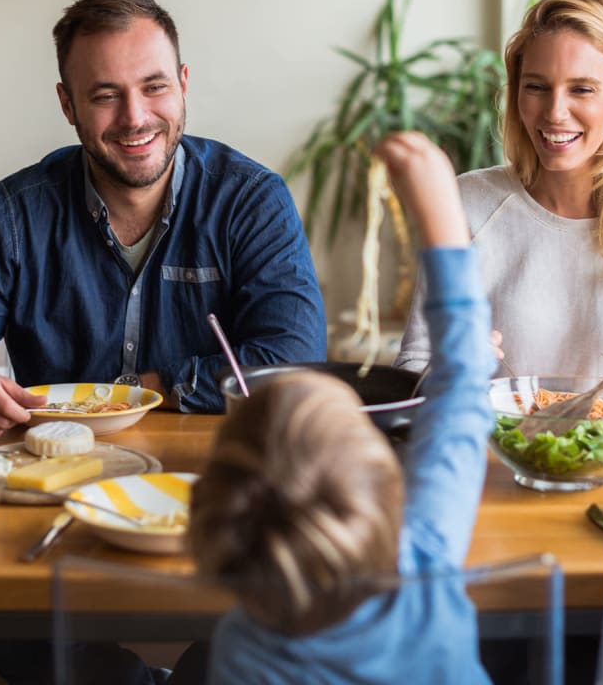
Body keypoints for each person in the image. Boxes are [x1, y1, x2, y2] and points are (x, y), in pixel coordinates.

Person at [0, 0, 326, 438]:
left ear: (182, 84)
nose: (135, 117)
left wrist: (145, 388)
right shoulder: (12, 217)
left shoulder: (251, 202)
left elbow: (296, 359)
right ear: (68, 105)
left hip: (213, 477)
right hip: (51, 480)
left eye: (154, 87)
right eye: (105, 96)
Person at [187, 130, 497, 683]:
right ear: (388, 489)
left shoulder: (239, 652)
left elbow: (462, 384)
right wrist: (442, 216)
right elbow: (466, 382)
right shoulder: (424, 568)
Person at [394, 0, 603, 428]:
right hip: (499, 463)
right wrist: (450, 369)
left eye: (582, 89)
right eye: (537, 86)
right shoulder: (467, 203)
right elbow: (415, 365)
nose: (554, 112)